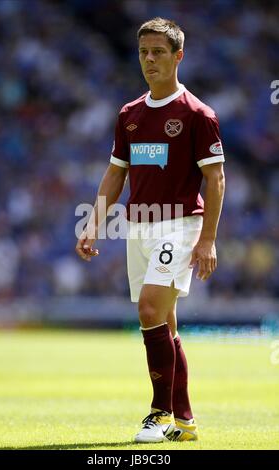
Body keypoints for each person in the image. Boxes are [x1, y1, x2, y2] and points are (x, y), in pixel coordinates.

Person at [76, 17, 225, 443]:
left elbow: (215, 180)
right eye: (143, 52)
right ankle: (185, 421)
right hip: (138, 227)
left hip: (179, 224)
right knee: (166, 323)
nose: (149, 60)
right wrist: (94, 222)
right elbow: (114, 174)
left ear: (179, 56)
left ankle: (158, 413)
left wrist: (208, 238)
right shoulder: (129, 115)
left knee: (147, 311)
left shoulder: (198, 114)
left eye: (159, 52)